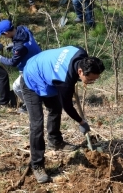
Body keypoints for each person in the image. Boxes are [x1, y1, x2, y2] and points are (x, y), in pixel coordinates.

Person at [20, 46, 105, 183]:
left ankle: (55, 141)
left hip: (46, 70)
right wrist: (81, 122)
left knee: (55, 108)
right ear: (80, 71)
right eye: (90, 80)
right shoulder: (64, 81)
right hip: (31, 77)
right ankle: (37, 165)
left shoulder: (82, 54)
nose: (91, 82)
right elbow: (68, 106)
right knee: (37, 124)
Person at [0, 19, 42, 113]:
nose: (3, 36)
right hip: (39, 59)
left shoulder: (20, 47)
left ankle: (30, 105)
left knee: (17, 87)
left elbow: (13, 62)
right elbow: (28, 39)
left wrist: (0, 58)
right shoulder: (22, 28)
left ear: (6, 32)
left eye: (3, 34)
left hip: (31, 68)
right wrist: (13, 44)